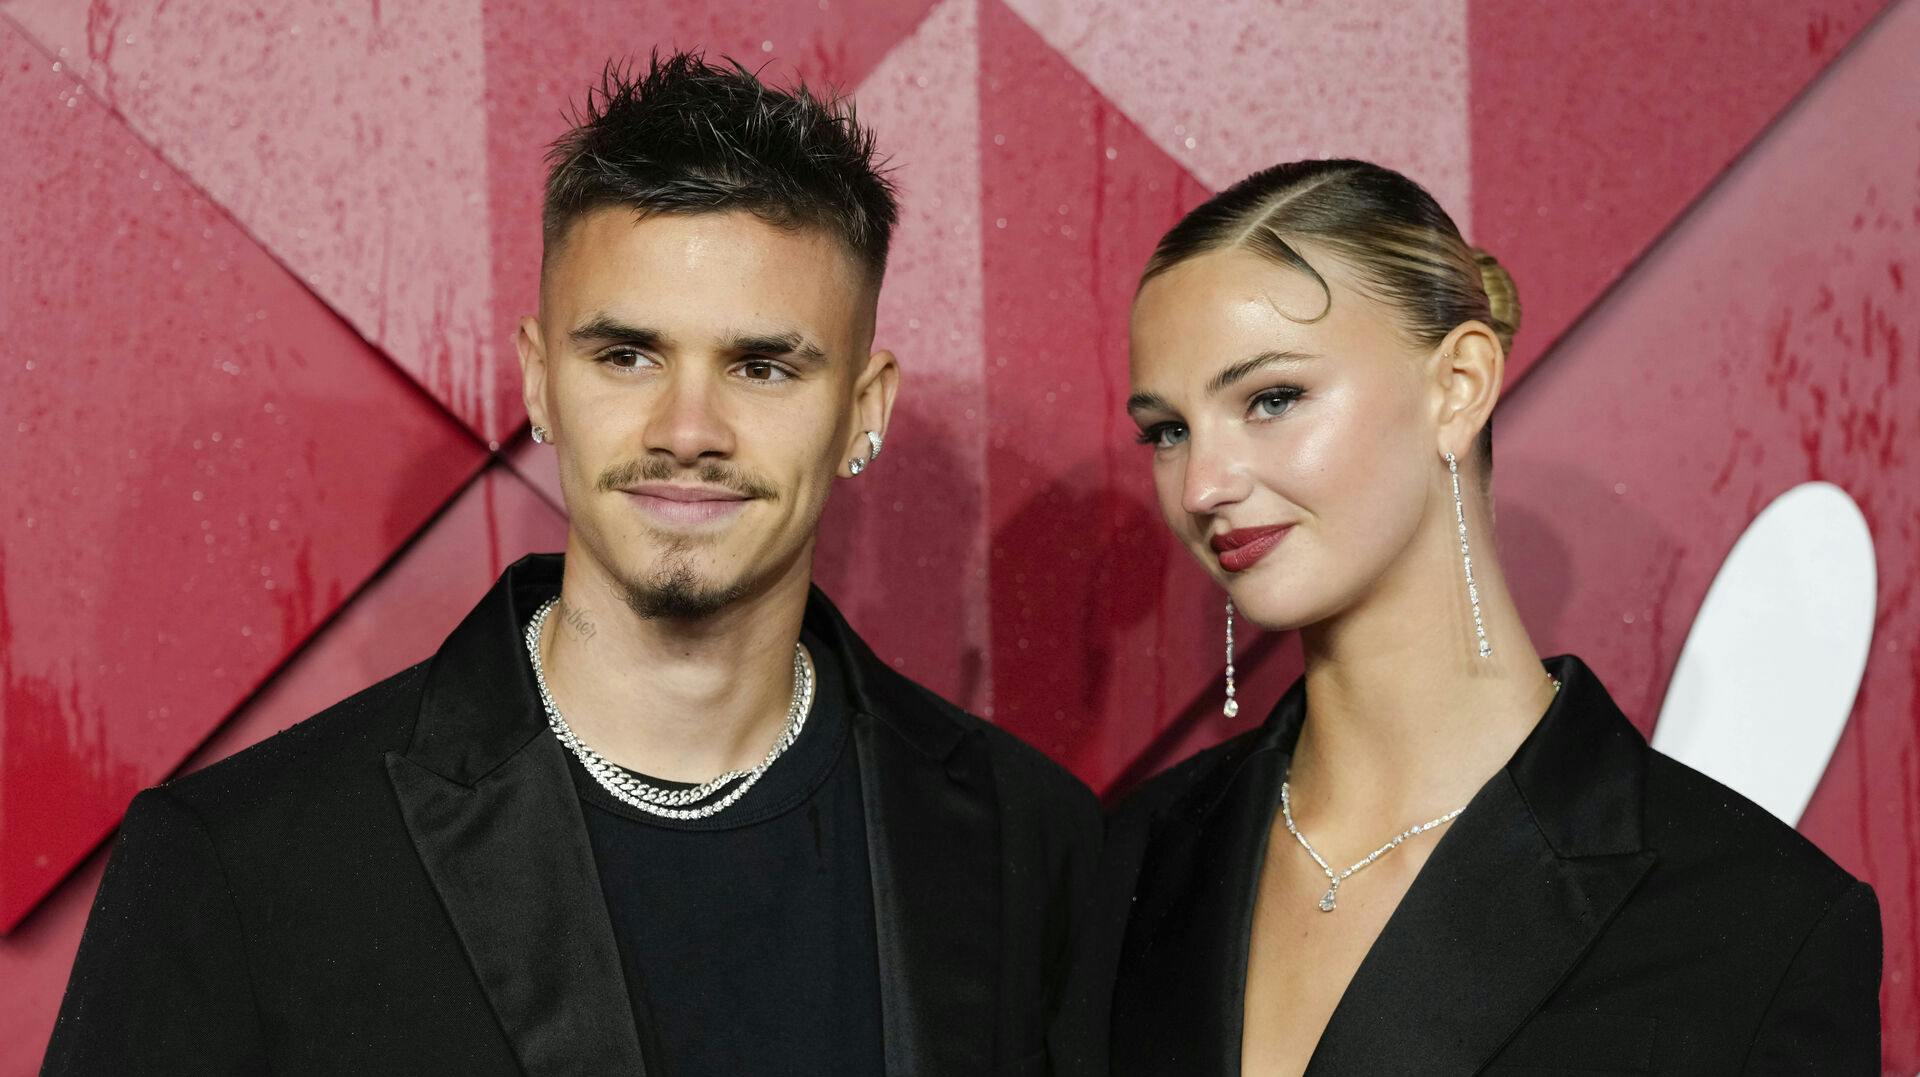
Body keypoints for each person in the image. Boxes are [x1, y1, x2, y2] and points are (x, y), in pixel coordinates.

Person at [45, 53, 1099, 1076]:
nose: (689, 429)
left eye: (763, 366)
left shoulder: (1028, 842)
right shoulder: (244, 862)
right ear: (542, 383)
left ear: (861, 412)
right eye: (627, 355)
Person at [1064, 159, 1881, 1075]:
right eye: (1167, 430)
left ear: (1458, 385)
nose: (1203, 484)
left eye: (1272, 399)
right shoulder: (1138, 861)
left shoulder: (1759, 918)